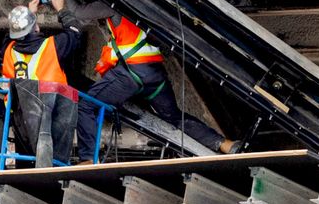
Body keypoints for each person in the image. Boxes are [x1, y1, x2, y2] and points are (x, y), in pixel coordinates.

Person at [74, 13, 235, 163]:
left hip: (131, 77)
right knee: (174, 116)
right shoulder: (136, 15)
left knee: (87, 105)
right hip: (154, 78)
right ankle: (225, 144)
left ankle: (87, 158)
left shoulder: (113, 9)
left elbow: (79, 11)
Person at [0, 0, 81, 166]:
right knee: (54, 159)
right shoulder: (52, 46)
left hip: (21, 114)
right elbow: (74, 32)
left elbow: (9, 36)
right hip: (54, 111)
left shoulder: (8, 51)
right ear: (35, 27)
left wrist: (29, 14)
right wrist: (61, 10)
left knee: (27, 159)